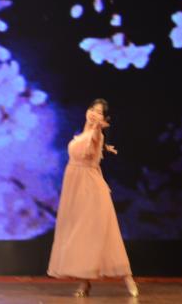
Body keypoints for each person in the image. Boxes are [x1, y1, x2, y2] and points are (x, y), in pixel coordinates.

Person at [47, 98, 138, 298]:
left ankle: (127, 277)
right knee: (80, 235)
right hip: (74, 189)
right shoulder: (80, 135)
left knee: (100, 233)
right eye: (92, 109)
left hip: (90, 189)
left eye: (99, 112)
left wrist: (98, 128)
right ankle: (84, 282)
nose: (93, 113)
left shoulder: (96, 135)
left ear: (104, 118)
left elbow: (95, 139)